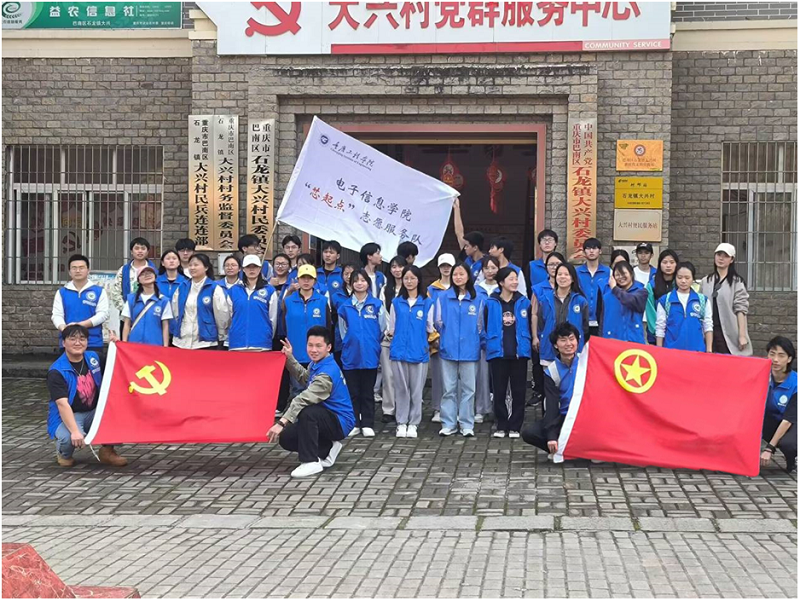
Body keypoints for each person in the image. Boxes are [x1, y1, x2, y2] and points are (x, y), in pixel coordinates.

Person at [268, 326, 356, 478]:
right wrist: (289, 357)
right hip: (326, 417)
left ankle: (310, 462)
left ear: (329, 347)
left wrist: (281, 423)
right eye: (310, 345)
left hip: (340, 422)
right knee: (287, 437)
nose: (313, 350)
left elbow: (303, 399)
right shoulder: (317, 363)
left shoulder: (326, 374)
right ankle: (327, 448)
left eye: (318, 346)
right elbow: (304, 378)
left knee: (308, 413)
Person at [47, 324, 127, 467]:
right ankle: (63, 454)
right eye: (72, 339)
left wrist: (117, 345)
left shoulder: (94, 358)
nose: (78, 343)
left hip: (93, 411)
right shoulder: (57, 371)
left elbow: (116, 362)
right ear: (63, 343)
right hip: (69, 414)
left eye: (82, 339)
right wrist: (75, 431)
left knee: (119, 413)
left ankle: (107, 451)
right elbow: (62, 404)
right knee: (68, 438)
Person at [435, 262, 484, 437]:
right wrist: (447, 337)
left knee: (469, 389)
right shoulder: (443, 297)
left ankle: (466, 424)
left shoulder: (478, 297)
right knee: (449, 388)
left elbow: (480, 324)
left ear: (468, 276)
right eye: (455, 274)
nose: (458, 277)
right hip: (448, 349)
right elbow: (438, 322)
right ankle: (448, 423)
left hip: (470, 349)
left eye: (461, 274)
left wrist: (474, 338)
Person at [484, 266, 532, 439]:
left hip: (519, 352)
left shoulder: (524, 302)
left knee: (519, 391)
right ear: (501, 282)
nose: (515, 282)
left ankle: (515, 426)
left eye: (516, 279)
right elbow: (484, 325)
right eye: (511, 279)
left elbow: (530, 325)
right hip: (498, 352)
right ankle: (501, 424)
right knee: (499, 391)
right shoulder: (491, 302)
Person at [521, 322, 581, 460]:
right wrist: (551, 436)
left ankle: (586, 450)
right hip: (564, 417)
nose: (568, 344)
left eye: (572, 339)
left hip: (585, 417)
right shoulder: (551, 371)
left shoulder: (587, 362)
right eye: (563, 340)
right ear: (555, 345)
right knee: (530, 433)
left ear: (577, 341)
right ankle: (561, 449)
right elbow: (552, 405)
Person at [338, 269, 386, 438]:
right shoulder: (345, 307)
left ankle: (367, 423)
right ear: (351, 284)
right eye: (356, 281)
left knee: (367, 392)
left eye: (363, 280)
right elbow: (343, 332)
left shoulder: (377, 305)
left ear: (368, 283)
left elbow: (382, 328)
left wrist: (372, 344)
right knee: (353, 392)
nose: (359, 283)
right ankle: (354, 423)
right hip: (351, 355)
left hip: (370, 355)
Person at [388, 264, 435, 439]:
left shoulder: (427, 303)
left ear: (419, 280)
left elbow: (430, 327)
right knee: (401, 389)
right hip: (399, 351)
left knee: (416, 390)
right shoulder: (396, 302)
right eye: (406, 278)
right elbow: (392, 327)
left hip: (419, 352)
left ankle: (414, 423)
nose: (409, 281)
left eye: (412, 278)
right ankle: (401, 422)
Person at [51, 254, 109, 358]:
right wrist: (65, 328)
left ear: (88, 270)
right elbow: (56, 315)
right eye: (74, 268)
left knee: (92, 368)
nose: (78, 271)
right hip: (68, 342)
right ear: (69, 272)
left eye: (81, 268)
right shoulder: (62, 292)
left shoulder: (99, 291)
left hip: (93, 342)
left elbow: (103, 314)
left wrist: (79, 326)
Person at [700, 243, 753, 356]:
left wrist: (742, 335)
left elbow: (741, 310)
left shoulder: (737, 282)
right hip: (709, 332)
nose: (721, 258)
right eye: (719, 254)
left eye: (725, 256)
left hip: (728, 331)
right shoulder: (706, 281)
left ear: (731, 259)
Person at [170, 253, 230, 350]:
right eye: (190, 265)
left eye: (196, 265)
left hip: (205, 342)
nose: (192, 268)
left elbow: (221, 315)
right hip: (181, 341)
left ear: (206, 267)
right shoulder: (182, 287)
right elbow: (175, 311)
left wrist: (221, 335)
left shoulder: (214, 288)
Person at [530, 251, 566, 403]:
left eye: (557, 264)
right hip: (545, 336)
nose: (554, 267)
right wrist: (535, 336)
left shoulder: (568, 286)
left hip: (565, 338)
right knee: (548, 380)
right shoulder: (539, 288)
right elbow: (534, 314)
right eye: (551, 264)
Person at [536, 262, 589, 365]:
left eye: (566, 274)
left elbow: (585, 326)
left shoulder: (580, 301)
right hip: (549, 350)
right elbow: (541, 324)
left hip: (573, 351)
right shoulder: (545, 299)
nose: (562, 277)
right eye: (559, 274)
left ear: (573, 279)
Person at [655, 262, 713, 353]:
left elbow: (708, 326)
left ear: (693, 278)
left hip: (697, 352)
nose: (683, 281)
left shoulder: (702, 300)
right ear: (675, 278)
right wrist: (659, 351)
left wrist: (709, 350)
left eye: (687, 278)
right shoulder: (665, 300)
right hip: (671, 352)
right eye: (679, 277)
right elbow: (660, 328)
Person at [282, 264, 331, 367]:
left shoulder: (323, 301)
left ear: (315, 281)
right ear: (298, 279)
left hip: (318, 356)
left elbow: (328, 327)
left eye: (310, 278)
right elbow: (283, 328)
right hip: (295, 355)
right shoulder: (288, 301)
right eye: (303, 277)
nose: (306, 281)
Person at [227, 255, 278, 352]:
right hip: (237, 344)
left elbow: (273, 319)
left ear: (259, 269)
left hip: (261, 344)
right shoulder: (233, 291)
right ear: (243, 269)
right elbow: (228, 318)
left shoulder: (270, 291)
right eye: (248, 267)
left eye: (255, 266)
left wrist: (267, 335)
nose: (251, 269)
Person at [761, 336, 797, 473]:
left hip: (792, 423)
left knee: (789, 444)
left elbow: (788, 420)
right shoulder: (761, 376)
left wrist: (769, 448)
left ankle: (792, 459)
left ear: (789, 359)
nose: (775, 359)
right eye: (772, 354)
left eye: (781, 355)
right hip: (772, 419)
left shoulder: (796, 384)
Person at [378, 256, 406, 424]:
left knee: (404, 376)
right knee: (388, 375)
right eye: (394, 267)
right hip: (388, 337)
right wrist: (388, 330)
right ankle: (388, 409)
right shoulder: (385, 289)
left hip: (406, 338)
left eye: (400, 266)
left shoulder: (411, 288)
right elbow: (382, 312)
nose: (397, 270)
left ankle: (403, 408)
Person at [475, 256, 500, 423]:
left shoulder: (502, 288)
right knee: (482, 376)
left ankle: (500, 409)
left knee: (499, 376)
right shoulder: (476, 289)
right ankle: (481, 408)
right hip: (481, 339)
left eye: (493, 267)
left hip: (500, 339)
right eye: (487, 268)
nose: (490, 271)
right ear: (482, 270)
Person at [119, 266, 172, 347]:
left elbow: (165, 326)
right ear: (138, 280)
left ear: (155, 276)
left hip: (155, 345)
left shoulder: (163, 301)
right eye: (143, 274)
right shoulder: (131, 299)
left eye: (150, 272)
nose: (147, 275)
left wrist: (165, 347)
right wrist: (124, 344)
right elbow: (127, 323)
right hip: (134, 344)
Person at [600, 261, 647, 343]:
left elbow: (630, 301)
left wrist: (615, 289)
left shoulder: (641, 291)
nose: (621, 277)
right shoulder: (607, 295)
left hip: (634, 340)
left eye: (624, 273)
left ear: (631, 273)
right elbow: (601, 319)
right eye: (617, 275)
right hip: (613, 340)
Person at [270, 253, 292, 414]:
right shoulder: (266, 284)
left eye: (283, 263)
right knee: (271, 370)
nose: (280, 266)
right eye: (277, 263)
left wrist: (290, 291)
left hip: (285, 332)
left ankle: (282, 403)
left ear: (289, 266)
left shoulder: (293, 284)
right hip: (269, 333)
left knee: (285, 370)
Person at [576, 238, 611, 338]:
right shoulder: (577, 272)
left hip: (601, 320)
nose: (591, 251)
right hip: (581, 319)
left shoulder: (608, 272)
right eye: (588, 248)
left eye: (594, 248)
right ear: (584, 252)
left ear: (600, 251)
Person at [110, 237, 156, 312]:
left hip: (149, 312)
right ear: (131, 251)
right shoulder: (123, 270)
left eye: (143, 248)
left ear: (147, 252)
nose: (140, 251)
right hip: (126, 312)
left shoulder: (154, 271)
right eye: (137, 248)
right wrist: (126, 310)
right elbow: (115, 293)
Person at [645, 249, 679, 344]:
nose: (668, 265)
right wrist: (657, 332)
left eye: (672, 262)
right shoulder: (652, 285)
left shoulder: (680, 284)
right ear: (659, 264)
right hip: (656, 335)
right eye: (665, 262)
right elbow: (650, 310)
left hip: (676, 333)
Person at [452, 197, 485, 281]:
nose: (465, 248)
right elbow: (459, 232)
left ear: (475, 247)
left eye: (467, 246)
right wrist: (456, 208)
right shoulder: (465, 256)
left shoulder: (487, 262)